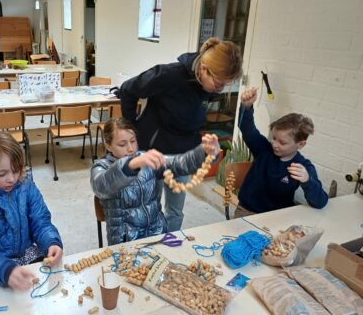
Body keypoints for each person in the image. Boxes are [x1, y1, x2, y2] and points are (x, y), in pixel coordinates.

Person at [119, 37, 243, 231]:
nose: (220, 89)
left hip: (183, 154)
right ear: (203, 68)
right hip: (154, 152)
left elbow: (193, 111)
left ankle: (170, 244)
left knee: (175, 210)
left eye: (225, 85)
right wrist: (131, 129)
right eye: (218, 83)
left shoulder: (207, 84)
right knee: (149, 206)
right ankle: (149, 244)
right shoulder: (168, 75)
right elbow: (127, 89)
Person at [90, 117, 220, 245]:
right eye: (122, 144)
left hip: (157, 233)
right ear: (108, 145)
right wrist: (130, 165)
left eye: (133, 141)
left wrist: (204, 153)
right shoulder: (101, 167)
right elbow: (102, 186)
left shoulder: (145, 159)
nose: (130, 148)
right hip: (125, 241)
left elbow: (178, 163)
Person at [0, 132, 63, 291]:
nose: (12, 179)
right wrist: (5, 271)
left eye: (16, 170)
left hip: (28, 258)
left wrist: (52, 242)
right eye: (2, 174)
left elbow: (41, 223)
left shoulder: (26, 187)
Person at [235, 88, 328, 217]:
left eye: (282, 143)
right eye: (274, 138)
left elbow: (320, 202)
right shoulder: (263, 149)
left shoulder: (303, 166)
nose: (275, 144)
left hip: (278, 216)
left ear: (300, 144)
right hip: (247, 210)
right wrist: (246, 106)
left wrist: (308, 181)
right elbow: (247, 129)